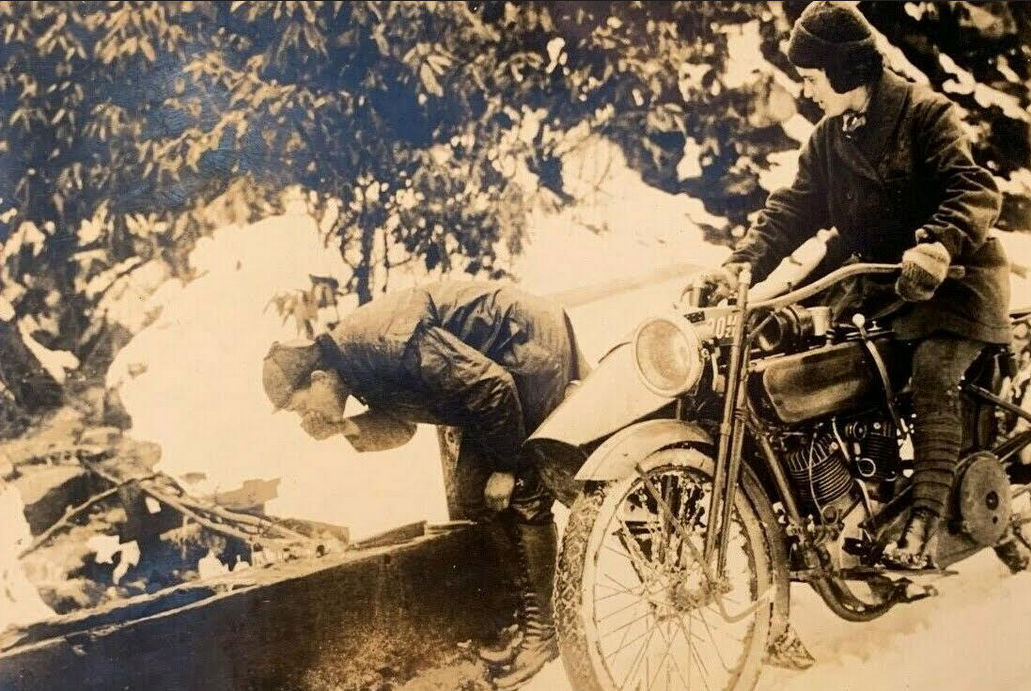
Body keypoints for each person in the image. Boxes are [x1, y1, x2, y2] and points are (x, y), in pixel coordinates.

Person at [694, 2, 1011, 569]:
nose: (807, 89)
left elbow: (974, 189)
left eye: (813, 77)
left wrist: (938, 243)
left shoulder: (924, 113)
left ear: (844, 69)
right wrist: (741, 264)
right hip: (876, 283)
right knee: (817, 362)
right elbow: (792, 209)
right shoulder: (828, 137)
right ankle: (853, 496)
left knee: (933, 374)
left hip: (953, 282)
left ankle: (925, 519)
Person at [261, 281, 589, 687]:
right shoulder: (353, 365)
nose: (302, 418)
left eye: (299, 407)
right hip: (492, 378)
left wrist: (506, 468)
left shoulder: (382, 344)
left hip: (523, 342)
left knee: (521, 492)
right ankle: (531, 624)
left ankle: (544, 634)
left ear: (318, 378)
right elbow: (403, 428)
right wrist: (344, 427)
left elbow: (492, 385)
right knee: (474, 495)